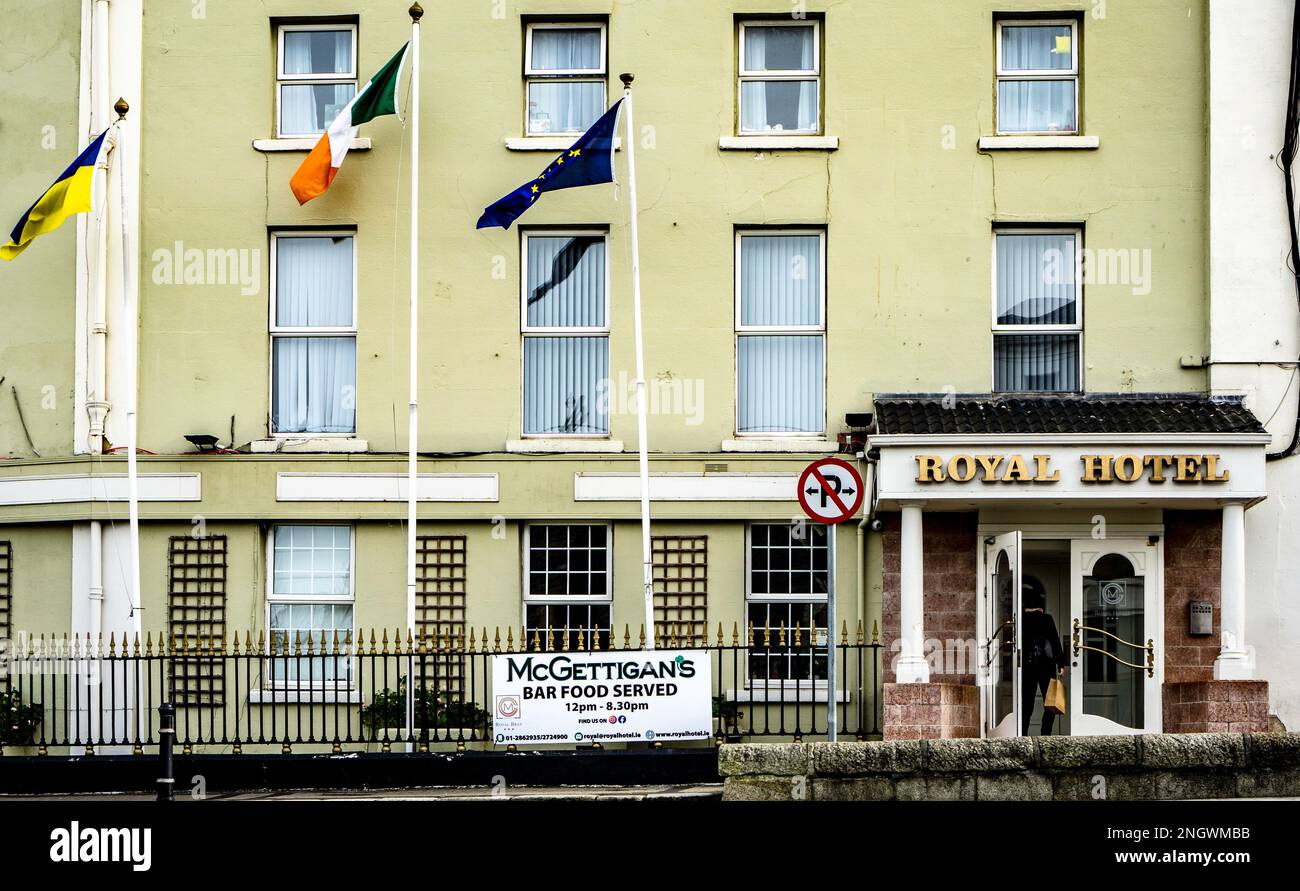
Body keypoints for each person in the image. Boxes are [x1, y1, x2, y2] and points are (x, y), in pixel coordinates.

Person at [1020, 576, 1066, 736]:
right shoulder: (1046, 619)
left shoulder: (1021, 621)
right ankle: (1046, 733)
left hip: (1027, 665)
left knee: (1027, 703)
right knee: (1051, 700)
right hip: (1046, 666)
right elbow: (1055, 640)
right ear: (1040, 606)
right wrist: (1061, 664)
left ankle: (1023, 734)